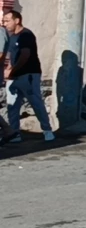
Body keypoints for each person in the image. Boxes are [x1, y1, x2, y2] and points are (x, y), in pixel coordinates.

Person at [3, 10, 54, 142]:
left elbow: (25, 55)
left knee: (35, 102)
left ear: (17, 20)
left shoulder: (26, 35)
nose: (5, 24)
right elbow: (12, 57)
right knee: (12, 106)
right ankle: (15, 133)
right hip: (14, 77)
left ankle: (47, 130)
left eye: (7, 20)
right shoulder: (11, 36)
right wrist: (8, 69)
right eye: (3, 21)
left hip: (28, 75)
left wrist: (12, 70)